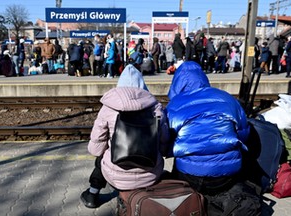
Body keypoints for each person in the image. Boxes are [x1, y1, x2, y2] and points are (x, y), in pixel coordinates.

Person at [165, 61, 258, 214]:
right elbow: (243, 133)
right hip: (226, 175)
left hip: (188, 174)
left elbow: (167, 141)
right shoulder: (227, 99)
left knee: (182, 158)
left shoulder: (174, 105)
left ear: (177, 83)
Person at [80, 62, 169, 209]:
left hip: (115, 174)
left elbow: (95, 149)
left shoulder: (108, 108)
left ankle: (92, 194)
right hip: (151, 173)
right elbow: (164, 146)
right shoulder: (156, 109)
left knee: (102, 155)